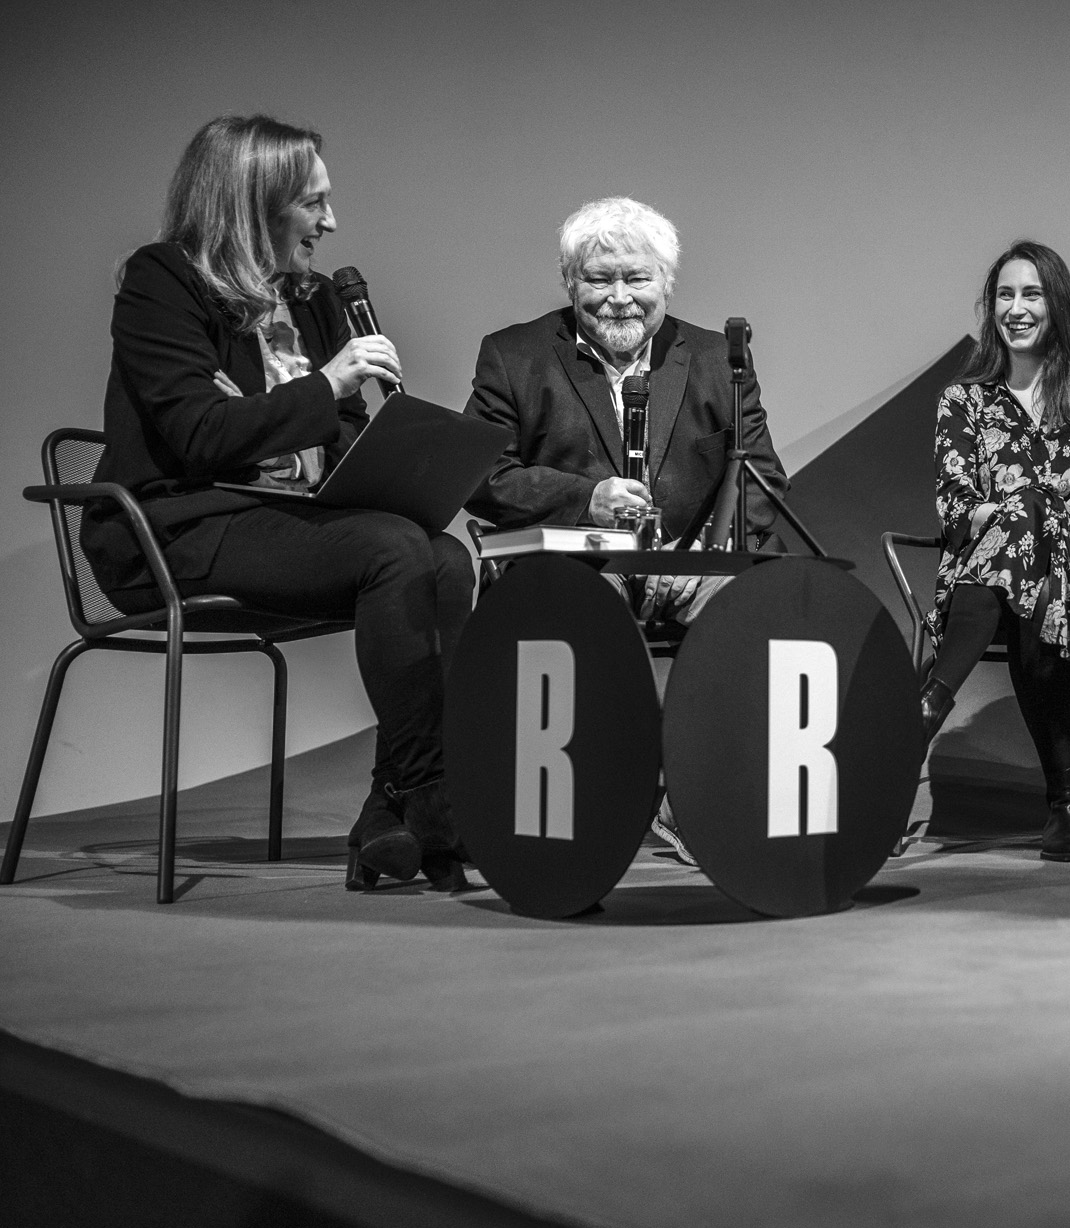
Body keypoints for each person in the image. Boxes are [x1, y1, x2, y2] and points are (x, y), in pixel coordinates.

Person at [84, 114, 474, 893]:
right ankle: (435, 798)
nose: (331, 222)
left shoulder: (314, 297)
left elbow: (339, 429)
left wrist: (400, 457)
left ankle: (394, 805)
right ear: (255, 203)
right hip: (179, 528)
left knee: (444, 555)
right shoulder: (164, 281)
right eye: (313, 203)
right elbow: (199, 434)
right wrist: (325, 384)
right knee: (395, 550)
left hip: (286, 519)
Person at [464, 196, 789, 865]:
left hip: (685, 562)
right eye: (598, 279)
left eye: (637, 278)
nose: (618, 298)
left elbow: (761, 478)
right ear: (569, 282)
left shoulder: (715, 358)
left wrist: (709, 554)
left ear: (667, 281)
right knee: (586, 615)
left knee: (756, 611)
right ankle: (595, 812)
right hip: (577, 563)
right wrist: (587, 500)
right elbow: (482, 476)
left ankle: (695, 804)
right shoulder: (513, 355)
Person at [922, 240, 1070, 864]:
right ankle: (1066, 805)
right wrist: (1035, 510)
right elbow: (956, 507)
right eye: (1005, 295)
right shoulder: (964, 402)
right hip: (990, 584)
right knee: (1031, 542)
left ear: (1057, 305)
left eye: (1031, 294)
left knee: (1042, 556)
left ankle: (927, 706)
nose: (1017, 308)